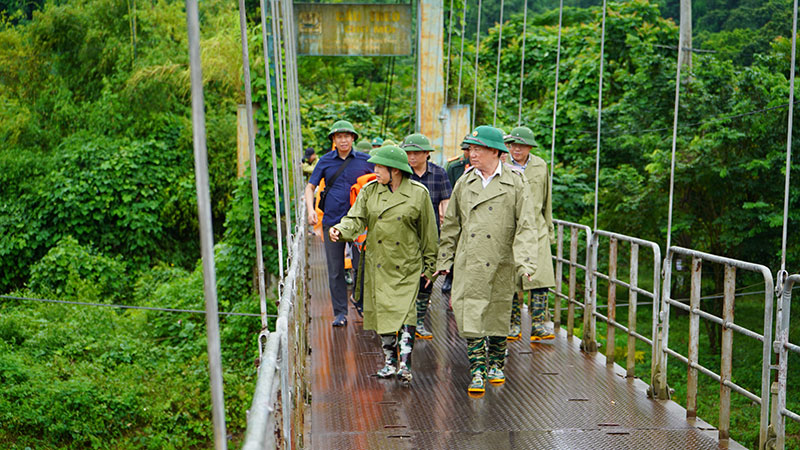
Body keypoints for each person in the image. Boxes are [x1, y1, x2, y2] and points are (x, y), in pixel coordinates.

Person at [434, 125, 538, 395]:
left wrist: (526, 262)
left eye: (478, 149)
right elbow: (452, 225)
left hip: (501, 259)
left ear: (495, 151)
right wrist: (444, 260)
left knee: (498, 311)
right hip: (470, 259)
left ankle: (496, 362)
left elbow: (526, 224)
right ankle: (477, 370)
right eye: (470, 149)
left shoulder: (516, 182)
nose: (472, 153)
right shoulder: (464, 182)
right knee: (470, 313)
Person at [329, 145, 438, 385]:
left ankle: (405, 365)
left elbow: (429, 233)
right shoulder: (370, 191)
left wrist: (430, 266)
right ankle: (390, 362)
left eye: (380, 167)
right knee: (384, 313)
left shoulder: (418, 194)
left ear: (395, 170)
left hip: (407, 263)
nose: (375, 170)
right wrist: (340, 229)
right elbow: (355, 218)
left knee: (406, 313)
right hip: (379, 262)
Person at [305, 119, 374, 327]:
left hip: (358, 223)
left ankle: (360, 302)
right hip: (333, 222)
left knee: (360, 266)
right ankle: (340, 313)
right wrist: (310, 211)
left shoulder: (366, 160)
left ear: (353, 138)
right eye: (339, 136)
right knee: (335, 269)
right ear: (334, 140)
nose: (343, 140)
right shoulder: (325, 161)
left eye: (347, 136)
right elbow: (310, 187)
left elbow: (380, 182)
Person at [505, 126, 556, 341]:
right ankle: (512, 324)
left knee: (541, 277)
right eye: (513, 145)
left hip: (537, 229)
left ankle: (538, 325)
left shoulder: (540, 166)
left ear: (529, 147)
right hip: (511, 229)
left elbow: (547, 200)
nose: (517, 149)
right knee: (511, 279)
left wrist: (549, 229)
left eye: (522, 145)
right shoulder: (502, 165)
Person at [400, 133, 452, 339]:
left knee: (427, 277)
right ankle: (405, 322)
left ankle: (419, 322)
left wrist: (447, 230)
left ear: (427, 154)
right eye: (409, 153)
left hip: (430, 234)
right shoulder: (402, 173)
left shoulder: (439, 174)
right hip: (405, 233)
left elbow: (445, 202)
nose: (412, 157)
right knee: (404, 277)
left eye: (416, 153)